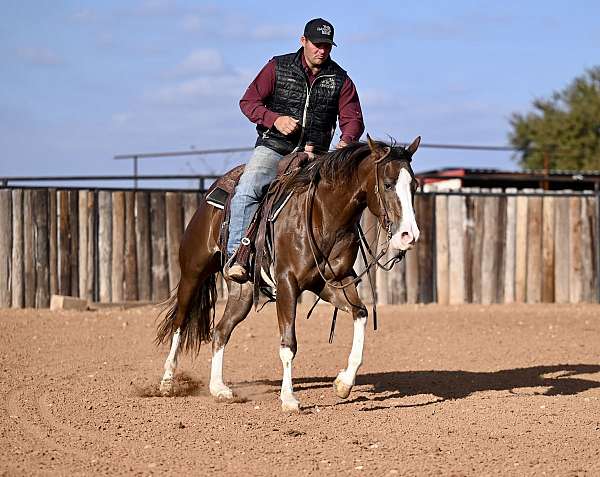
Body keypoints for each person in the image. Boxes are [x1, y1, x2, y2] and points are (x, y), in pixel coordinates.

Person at [225, 17, 365, 282]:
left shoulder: (340, 79)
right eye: (317, 44)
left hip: (318, 155)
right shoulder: (277, 67)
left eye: (327, 46)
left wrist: (348, 139)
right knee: (249, 187)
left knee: (345, 197)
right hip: (274, 148)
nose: (322, 50)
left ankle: (336, 261)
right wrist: (274, 120)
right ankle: (238, 256)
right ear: (303, 41)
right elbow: (248, 102)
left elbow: (353, 119)